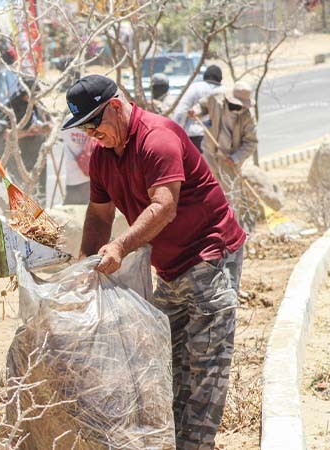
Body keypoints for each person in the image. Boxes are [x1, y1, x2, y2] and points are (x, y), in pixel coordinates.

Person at [62, 74, 246, 450]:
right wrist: (85, 271)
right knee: (164, 364)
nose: (92, 135)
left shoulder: (157, 138)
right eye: (85, 129)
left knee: (204, 368)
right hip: (171, 270)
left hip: (208, 256)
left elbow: (164, 207)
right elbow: (98, 215)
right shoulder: (102, 157)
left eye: (94, 125)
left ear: (116, 107)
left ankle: (195, 444)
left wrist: (120, 247)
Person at [188, 82, 259, 196]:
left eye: (242, 106)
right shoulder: (216, 97)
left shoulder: (248, 117)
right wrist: (196, 111)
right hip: (209, 152)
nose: (239, 108)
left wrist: (235, 158)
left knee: (230, 193)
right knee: (208, 188)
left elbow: (251, 143)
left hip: (229, 159)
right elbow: (202, 105)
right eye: (235, 105)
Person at [0, 82, 51, 198]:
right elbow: (6, 134)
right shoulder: (11, 107)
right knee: (20, 193)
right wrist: (27, 132)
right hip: (18, 157)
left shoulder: (39, 106)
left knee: (40, 193)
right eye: (35, 94)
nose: (38, 96)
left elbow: (50, 126)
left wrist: (42, 129)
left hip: (38, 155)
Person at [172, 65, 223, 152]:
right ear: (220, 79)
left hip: (194, 135)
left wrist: (175, 133)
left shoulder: (195, 87)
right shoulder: (224, 91)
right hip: (217, 138)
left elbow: (181, 110)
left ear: (204, 76)